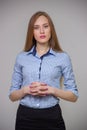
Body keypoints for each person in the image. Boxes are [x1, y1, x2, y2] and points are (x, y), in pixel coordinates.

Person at [9, 11, 79, 130]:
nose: (42, 31)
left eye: (45, 26)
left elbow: (74, 96)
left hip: (52, 117)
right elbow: (12, 95)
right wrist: (26, 90)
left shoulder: (63, 58)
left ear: (51, 29)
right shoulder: (21, 57)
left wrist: (51, 90)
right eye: (36, 28)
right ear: (32, 32)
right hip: (25, 118)